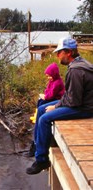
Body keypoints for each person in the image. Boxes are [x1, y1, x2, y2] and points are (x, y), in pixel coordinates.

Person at [26, 37, 93, 175]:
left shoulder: (75, 70)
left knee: (44, 118)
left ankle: (42, 159)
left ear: (68, 52)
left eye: (59, 52)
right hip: (82, 103)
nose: (57, 56)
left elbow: (74, 102)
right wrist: (57, 104)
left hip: (85, 108)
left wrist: (56, 107)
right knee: (40, 109)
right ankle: (37, 145)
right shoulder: (81, 63)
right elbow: (71, 96)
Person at [27, 62, 65, 156]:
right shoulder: (52, 81)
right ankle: (38, 115)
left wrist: (45, 97)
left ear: (54, 74)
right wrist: (44, 95)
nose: (48, 78)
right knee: (40, 102)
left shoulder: (58, 82)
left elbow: (51, 94)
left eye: (50, 76)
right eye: (47, 76)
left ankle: (37, 145)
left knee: (42, 104)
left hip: (57, 99)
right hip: (53, 99)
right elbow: (47, 90)